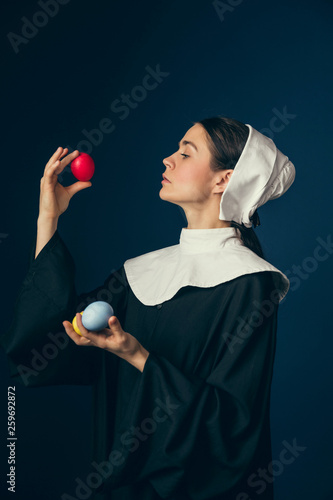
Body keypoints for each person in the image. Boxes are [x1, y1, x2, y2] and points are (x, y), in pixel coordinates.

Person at [1, 116, 295, 500]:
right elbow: (52, 343)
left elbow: (233, 428)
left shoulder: (252, 284)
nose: (167, 160)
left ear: (224, 180)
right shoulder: (138, 273)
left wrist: (138, 356)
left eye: (186, 153)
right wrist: (49, 218)